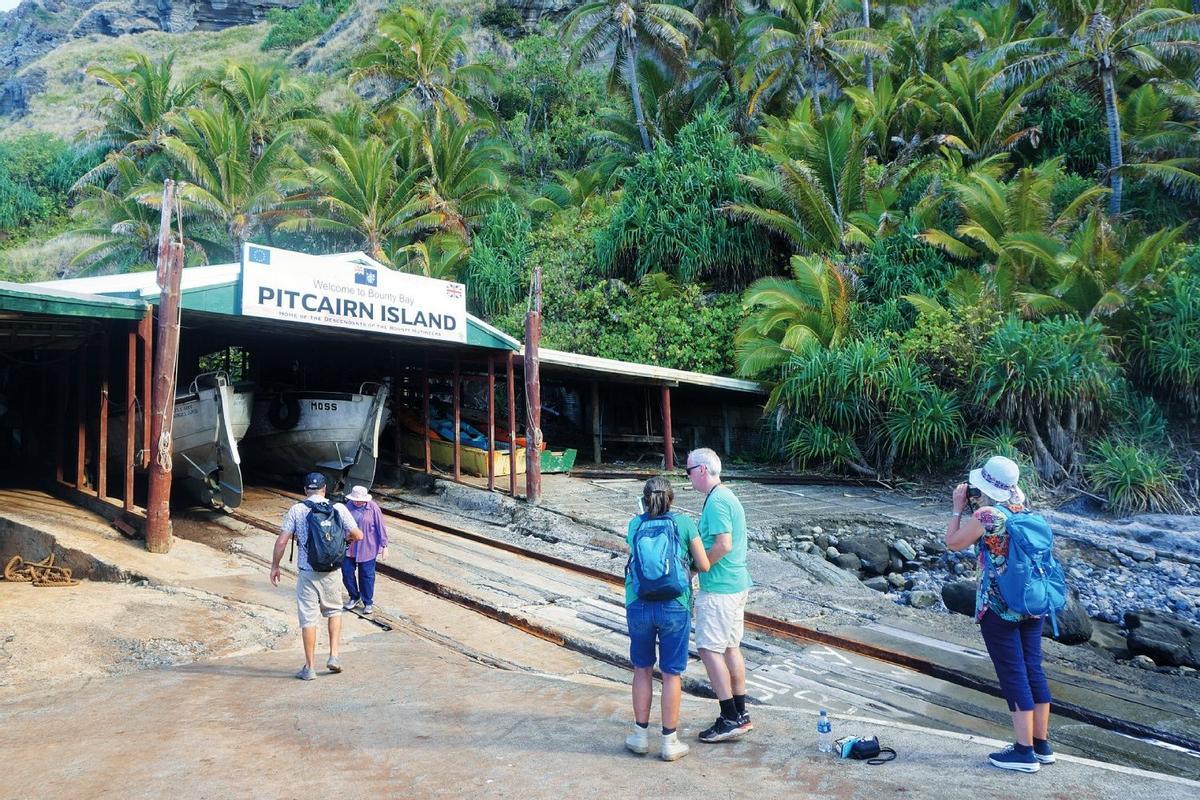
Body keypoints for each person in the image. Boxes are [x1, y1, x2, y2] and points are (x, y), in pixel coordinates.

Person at [945, 455, 1054, 773]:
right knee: (1033, 669)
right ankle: (1041, 745)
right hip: (1032, 603)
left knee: (1013, 674)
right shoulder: (1022, 508)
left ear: (983, 486)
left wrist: (956, 507)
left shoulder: (987, 514)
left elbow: (953, 543)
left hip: (999, 607)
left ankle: (1024, 752)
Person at [624, 476, 710, 761]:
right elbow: (704, 564)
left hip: (639, 603)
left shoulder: (635, 524)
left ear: (644, 499)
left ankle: (639, 736)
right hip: (675, 604)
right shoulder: (684, 523)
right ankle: (669, 741)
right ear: (671, 499)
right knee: (672, 674)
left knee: (642, 669)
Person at [685, 448, 753, 743]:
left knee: (708, 649)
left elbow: (723, 544)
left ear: (701, 470)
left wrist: (700, 567)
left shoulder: (717, 502)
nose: (687, 478)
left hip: (720, 588)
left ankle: (728, 717)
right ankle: (741, 713)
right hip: (736, 584)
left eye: (688, 472)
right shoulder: (725, 496)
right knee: (729, 647)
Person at [271, 472, 364, 681]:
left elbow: (281, 542)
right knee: (334, 611)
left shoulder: (297, 510)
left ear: (305, 491)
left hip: (307, 572)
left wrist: (275, 566)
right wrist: (342, 542)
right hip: (332, 571)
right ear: (325, 490)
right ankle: (334, 656)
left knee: (308, 619)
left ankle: (310, 667)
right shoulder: (338, 508)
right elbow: (359, 535)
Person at [342, 485, 389, 615]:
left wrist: (385, 546)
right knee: (346, 573)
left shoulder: (373, 508)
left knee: (367, 576)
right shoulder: (347, 506)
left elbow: (381, 527)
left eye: (360, 500)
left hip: (367, 547)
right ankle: (354, 596)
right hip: (349, 546)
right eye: (355, 499)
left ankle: (367, 601)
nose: (357, 502)